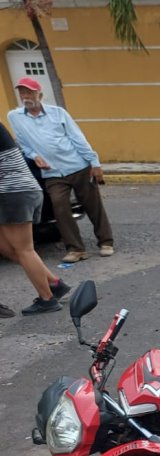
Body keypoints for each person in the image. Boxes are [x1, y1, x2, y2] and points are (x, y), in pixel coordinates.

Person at [7, 76, 113, 263]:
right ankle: (76, 249)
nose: (26, 96)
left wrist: (94, 163)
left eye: (30, 92)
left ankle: (106, 242)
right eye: (22, 92)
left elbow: (77, 137)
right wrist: (34, 156)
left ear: (39, 93)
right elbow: (23, 142)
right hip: (52, 172)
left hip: (77, 166)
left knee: (93, 206)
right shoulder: (14, 116)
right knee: (60, 207)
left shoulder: (58, 113)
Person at [0, 118, 70, 314]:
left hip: (13, 192)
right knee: (7, 247)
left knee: (24, 249)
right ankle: (54, 284)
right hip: (16, 191)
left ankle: (47, 299)